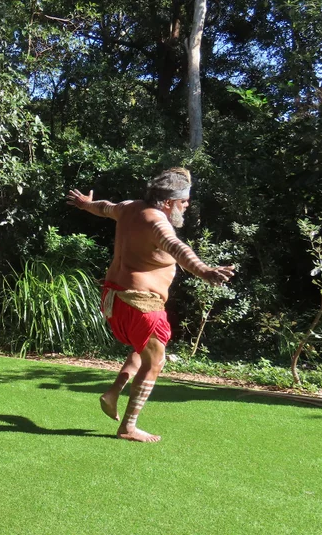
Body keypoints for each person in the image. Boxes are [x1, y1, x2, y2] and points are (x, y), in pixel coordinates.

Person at [66, 168, 234, 443]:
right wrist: (204, 270)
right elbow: (178, 248)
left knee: (142, 348)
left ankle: (113, 392)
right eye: (184, 201)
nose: (187, 205)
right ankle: (128, 427)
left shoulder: (129, 207)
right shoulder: (158, 223)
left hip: (114, 299)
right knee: (156, 360)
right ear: (168, 202)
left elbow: (104, 207)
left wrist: (85, 204)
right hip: (140, 302)